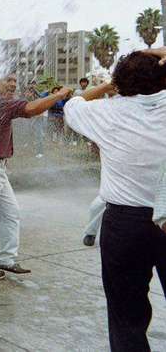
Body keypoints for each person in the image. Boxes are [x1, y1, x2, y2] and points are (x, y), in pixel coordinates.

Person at [64, 49, 166, 352]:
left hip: (124, 225)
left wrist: (109, 86)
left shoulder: (104, 112)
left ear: (119, 84)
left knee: (125, 318)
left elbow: (74, 103)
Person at [0, 73, 71, 280]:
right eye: (8, 80)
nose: (13, 84)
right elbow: (32, 109)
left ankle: (7, 259)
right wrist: (60, 95)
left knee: (11, 213)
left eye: (15, 80)